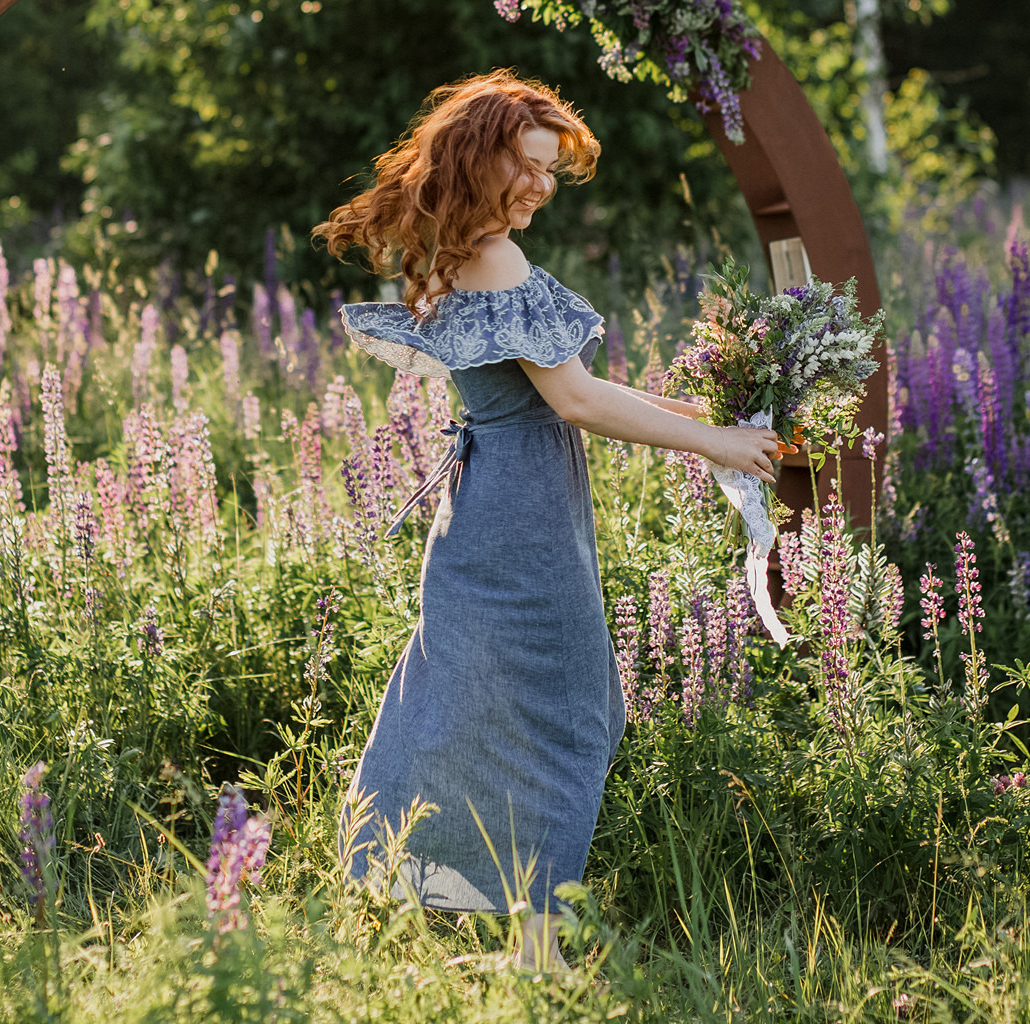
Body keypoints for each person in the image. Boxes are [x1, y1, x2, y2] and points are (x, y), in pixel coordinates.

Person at [316, 68, 780, 973]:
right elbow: (573, 401)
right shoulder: (493, 256)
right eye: (524, 165)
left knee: (466, 689)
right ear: (478, 156)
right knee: (570, 715)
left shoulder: (457, 248)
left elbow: (572, 388)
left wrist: (705, 418)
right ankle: (534, 949)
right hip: (522, 510)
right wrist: (716, 445)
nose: (538, 186)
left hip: (495, 500)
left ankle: (402, 867)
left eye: (549, 172)